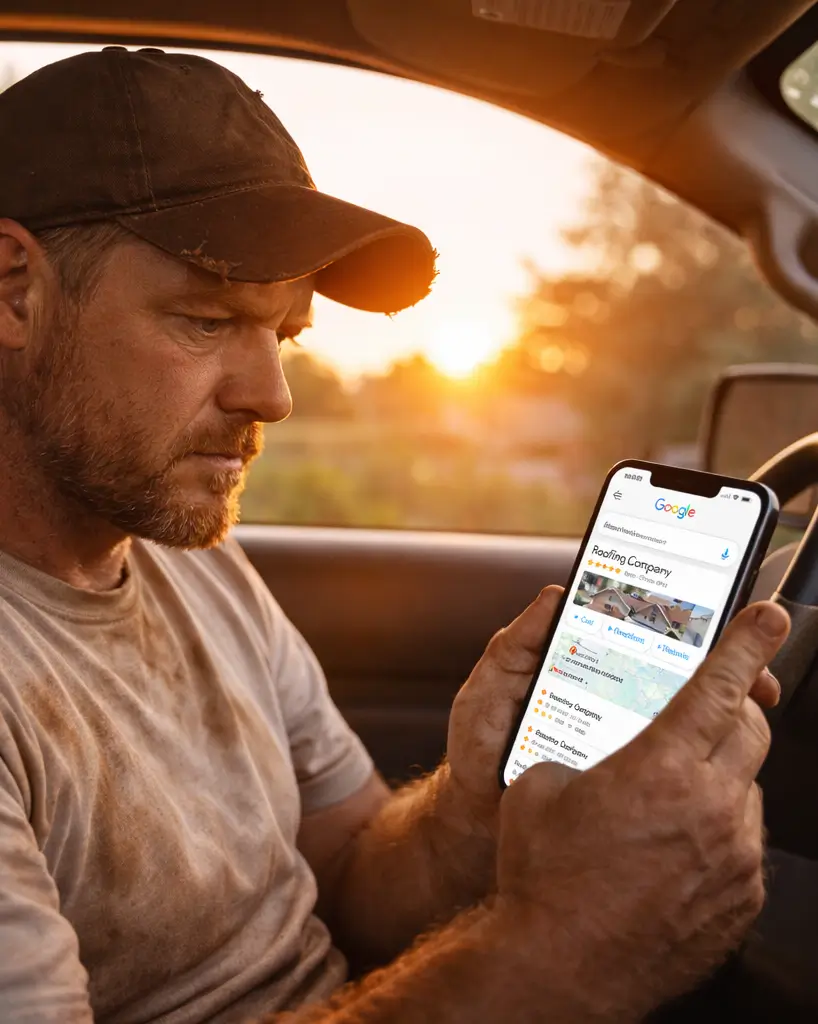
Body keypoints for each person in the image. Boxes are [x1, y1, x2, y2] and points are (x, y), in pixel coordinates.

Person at [0, 47, 790, 1024]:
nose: (272, 397)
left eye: (284, 334)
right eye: (206, 320)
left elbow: (341, 866)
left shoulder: (183, 559)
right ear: (13, 289)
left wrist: (469, 804)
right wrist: (567, 947)